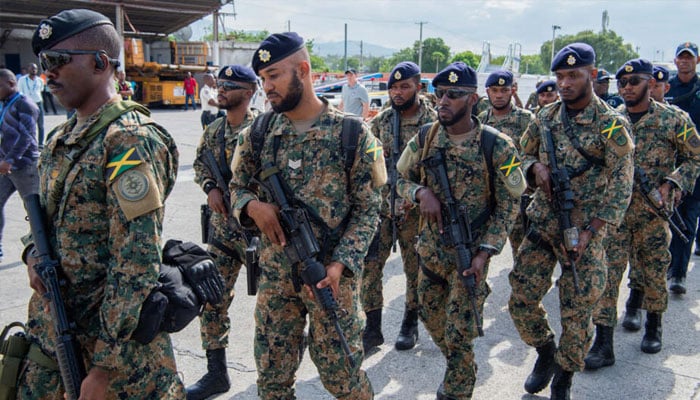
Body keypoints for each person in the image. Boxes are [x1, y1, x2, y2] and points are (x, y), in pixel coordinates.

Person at [19, 9, 183, 398]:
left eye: (58, 61)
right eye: (44, 63)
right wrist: (30, 251)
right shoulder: (62, 137)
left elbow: (136, 260)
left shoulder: (129, 141)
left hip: (112, 349)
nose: (48, 73)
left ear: (100, 63)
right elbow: (46, 219)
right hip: (55, 329)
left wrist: (106, 367)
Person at [230, 32, 383, 399]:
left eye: (275, 75)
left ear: (304, 70)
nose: (267, 87)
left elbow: (369, 209)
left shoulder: (353, 134)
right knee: (272, 382)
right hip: (275, 282)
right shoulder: (259, 132)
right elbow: (236, 186)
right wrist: (251, 206)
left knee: (344, 380)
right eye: (263, 79)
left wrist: (342, 264)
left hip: (331, 280)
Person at [508, 43, 634, 399]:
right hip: (545, 224)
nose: (564, 83)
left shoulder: (611, 125)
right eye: (559, 76)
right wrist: (534, 167)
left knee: (578, 313)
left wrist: (592, 231)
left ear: (592, 75)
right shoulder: (544, 118)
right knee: (520, 299)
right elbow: (517, 157)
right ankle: (546, 351)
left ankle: (564, 374)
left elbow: (623, 183)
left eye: (573, 75)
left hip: (587, 232)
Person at [396, 61, 525, 399]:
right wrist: (420, 192)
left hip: (471, 255)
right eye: (440, 94)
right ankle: (460, 364)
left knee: (459, 330)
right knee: (428, 314)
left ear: (473, 100)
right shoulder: (426, 137)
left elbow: (512, 202)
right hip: (430, 251)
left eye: (454, 95)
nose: (444, 101)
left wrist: (486, 251)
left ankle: (457, 386)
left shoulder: (497, 145)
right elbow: (397, 179)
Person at [585, 58, 700, 371]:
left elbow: (695, 158)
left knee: (652, 273)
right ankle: (603, 342)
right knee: (606, 277)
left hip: (653, 214)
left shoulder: (674, 119)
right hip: (615, 217)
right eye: (623, 82)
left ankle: (653, 326)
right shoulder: (610, 121)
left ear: (650, 84)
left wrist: (673, 183)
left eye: (634, 82)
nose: (626, 87)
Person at [188, 65, 258, 400]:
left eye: (229, 85)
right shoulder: (214, 130)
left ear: (248, 92)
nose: (221, 89)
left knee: (278, 309)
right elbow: (200, 163)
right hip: (223, 234)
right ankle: (217, 374)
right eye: (221, 83)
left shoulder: (263, 129)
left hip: (262, 235)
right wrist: (210, 188)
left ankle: (278, 374)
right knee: (211, 298)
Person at [360, 61, 437, 353]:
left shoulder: (432, 124)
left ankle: (410, 321)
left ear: (418, 86)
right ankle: (372, 326)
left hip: (416, 213)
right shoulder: (380, 122)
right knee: (370, 266)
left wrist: (412, 197)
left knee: (414, 268)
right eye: (394, 87)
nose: (398, 92)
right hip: (382, 209)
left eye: (405, 86)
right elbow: (369, 163)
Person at [478, 70, 535, 254]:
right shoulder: (480, 122)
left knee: (523, 253)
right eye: (495, 90)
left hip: (517, 195)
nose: (499, 95)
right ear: (488, 92)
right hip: (487, 197)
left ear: (513, 90)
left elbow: (536, 154)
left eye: (504, 90)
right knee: (480, 251)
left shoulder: (526, 120)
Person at [665, 41, 700, 294]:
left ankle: (678, 274)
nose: (685, 61)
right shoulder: (666, 86)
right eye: (681, 57)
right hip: (667, 163)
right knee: (664, 219)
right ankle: (666, 265)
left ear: (697, 61)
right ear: (676, 61)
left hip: (695, 164)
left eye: (690, 57)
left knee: (687, 219)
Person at [0, 69, 40, 262]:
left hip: (25, 167)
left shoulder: (25, 105)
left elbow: (26, 137)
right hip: (5, 168)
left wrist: (9, 160)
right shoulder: (5, 104)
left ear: (11, 83)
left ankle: (39, 249)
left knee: (34, 210)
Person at [17, 63, 45, 147]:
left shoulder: (40, 80)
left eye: (35, 69)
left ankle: (40, 144)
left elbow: (41, 90)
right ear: (28, 70)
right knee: (29, 125)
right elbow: (19, 92)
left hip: (39, 103)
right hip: (28, 104)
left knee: (40, 125)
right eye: (32, 68)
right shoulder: (22, 80)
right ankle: (31, 144)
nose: (34, 70)